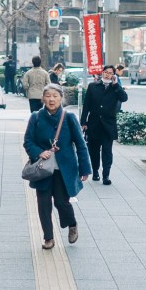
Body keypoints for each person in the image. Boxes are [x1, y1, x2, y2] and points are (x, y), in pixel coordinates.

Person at [23, 83, 90, 249]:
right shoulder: (36, 117)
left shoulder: (69, 117)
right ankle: (48, 238)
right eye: (48, 96)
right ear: (43, 98)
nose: (51, 99)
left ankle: (72, 223)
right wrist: (39, 152)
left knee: (61, 202)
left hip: (64, 169)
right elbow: (28, 142)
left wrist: (85, 168)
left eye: (55, 96)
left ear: (61, 98)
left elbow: (80, 144)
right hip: (43, 169)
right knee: (43, 204)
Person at [80, 65, 128, 185]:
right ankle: (95, 171)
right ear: (102, 73)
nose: (107, 75)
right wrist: (83, 122)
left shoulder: (115, 87)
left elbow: (124, 98)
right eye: (105, 72)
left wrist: (116, 85)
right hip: (93, 124)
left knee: (107, 151)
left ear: (113, 75)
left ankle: (106, 175)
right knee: (94, 151)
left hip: (108, 125)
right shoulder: (93, 86)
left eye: (110, 73)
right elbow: (86, 106)